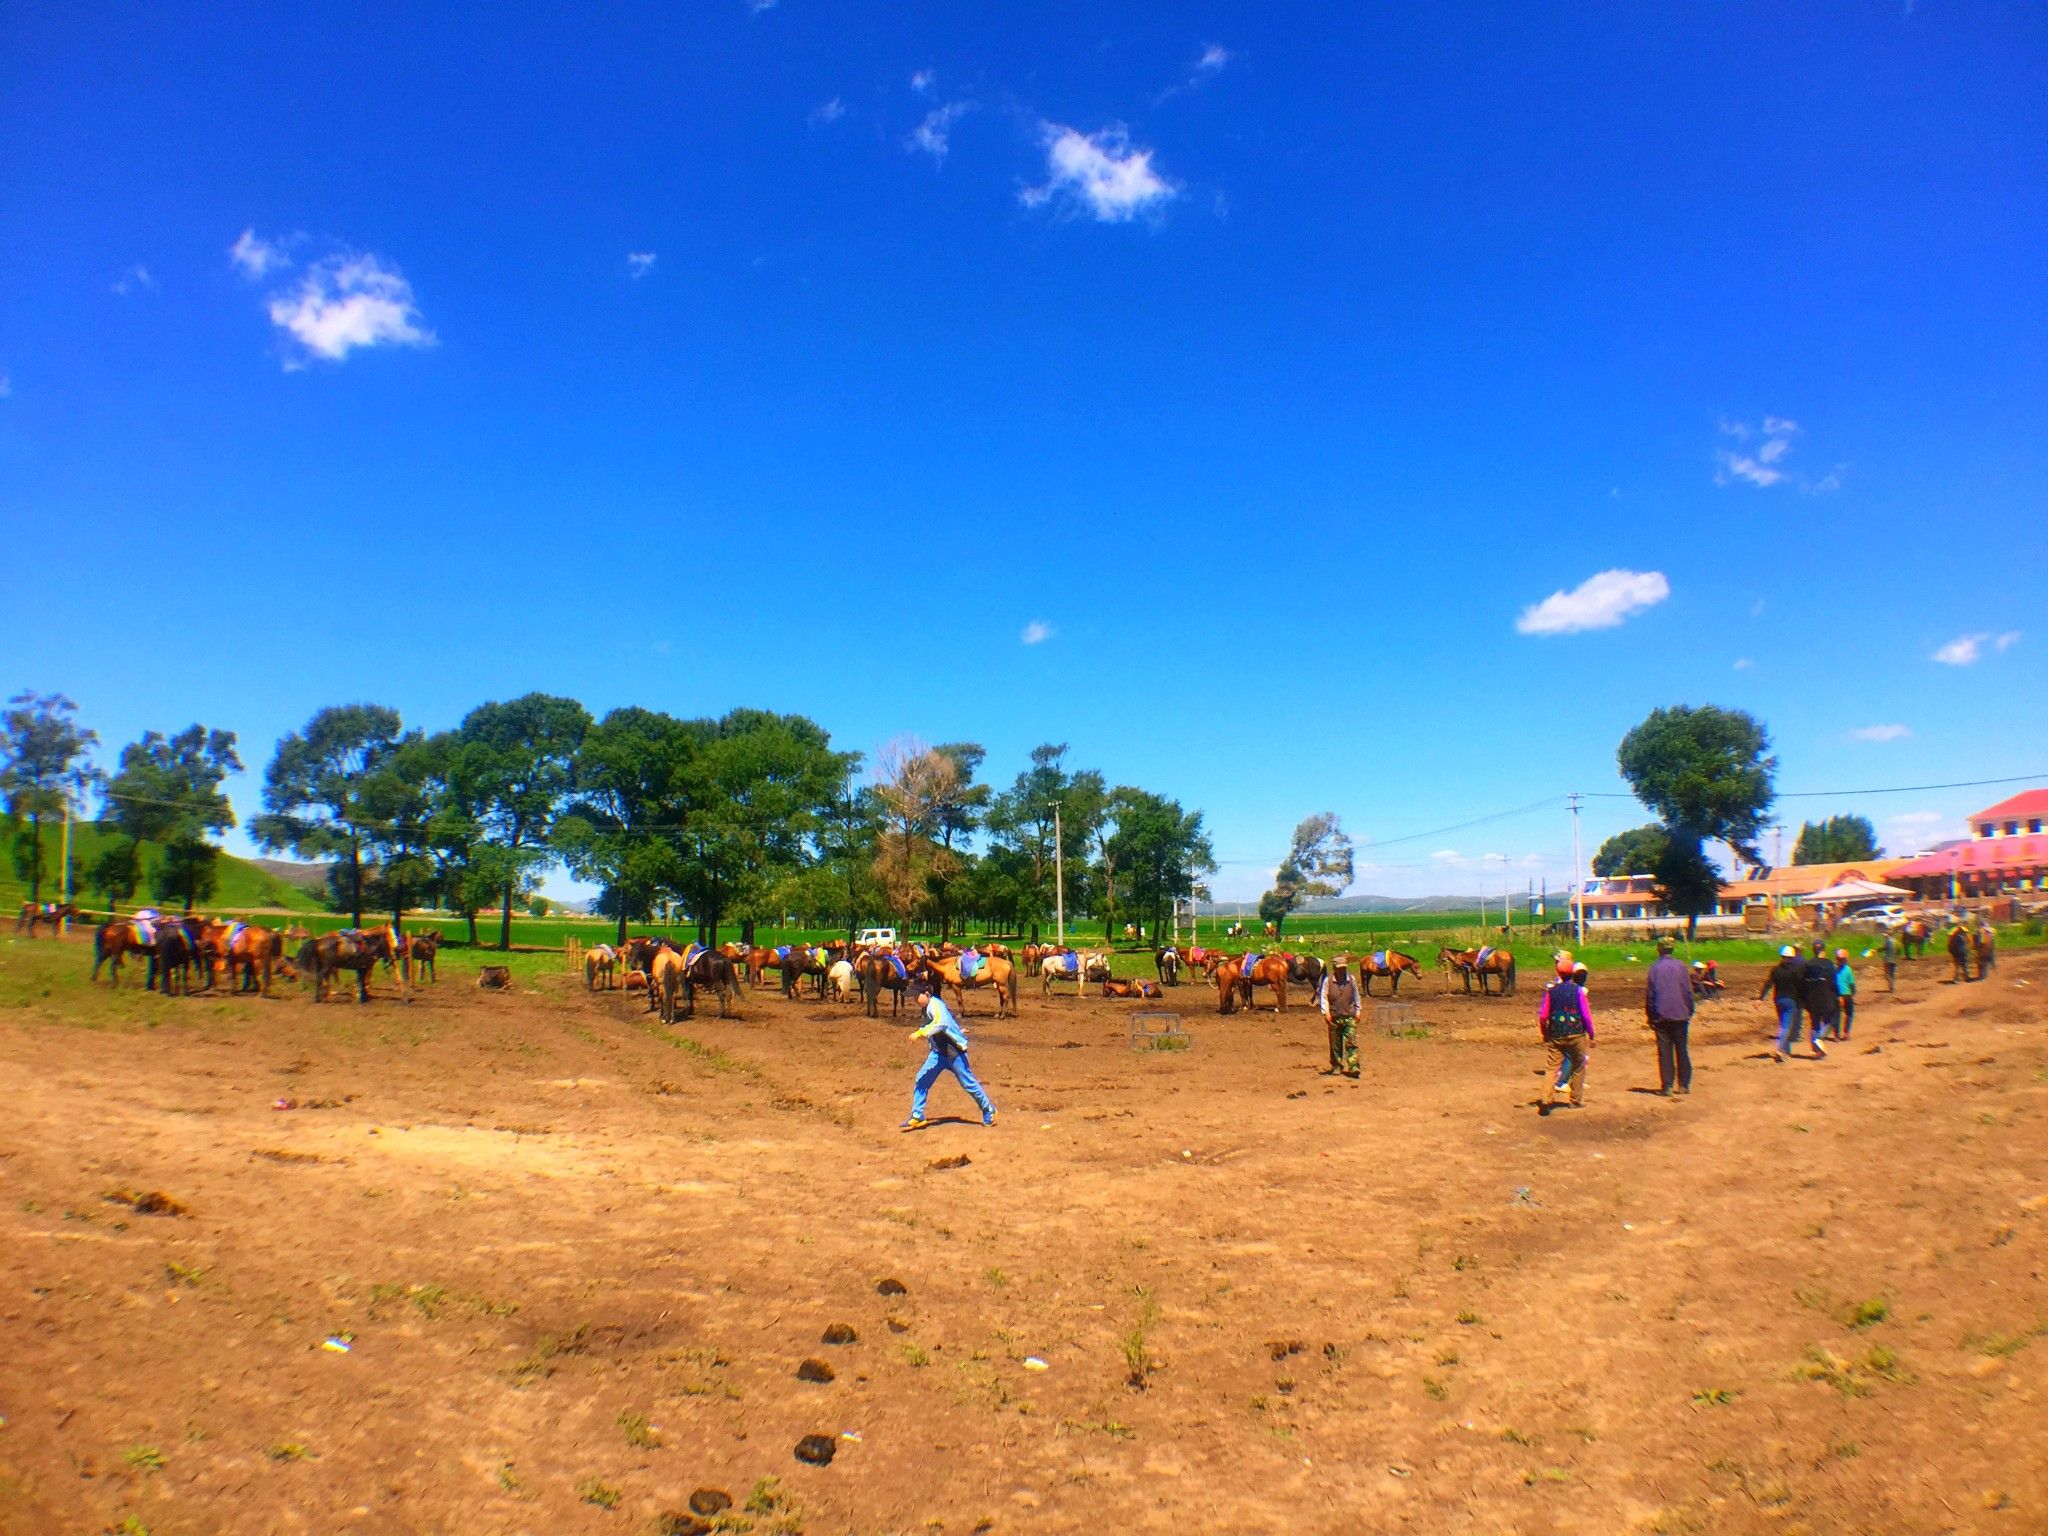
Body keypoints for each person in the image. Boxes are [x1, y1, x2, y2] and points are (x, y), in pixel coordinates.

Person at [900, 987, 995, 1131]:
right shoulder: (927, 1008)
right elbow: (948, 1022)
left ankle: (988, 1109)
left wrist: (921, 1032)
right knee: (921, 1080)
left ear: (927, 994)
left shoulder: (935, 1004)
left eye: (916, 996)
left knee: (969, 1084)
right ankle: (917, 1115)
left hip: (954, 1053)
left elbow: (941, 1022)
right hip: (938, 1054)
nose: (914, 1000)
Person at [1537, 957, 1594, 1114]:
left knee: (1552, 1068)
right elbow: (1586, 1015)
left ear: (1559, 972)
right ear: (1572, 973)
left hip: (1556, 1034)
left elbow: (1543, 1016)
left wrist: (1545, 1032)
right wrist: (1591, 1033)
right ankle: (1575, 1100)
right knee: (1579, 1065)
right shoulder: (1578, 991)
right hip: (1577, 1033)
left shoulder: (1551, 991)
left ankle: (1546, 1100)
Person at [1644, 936, 1694, 1096]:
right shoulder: (1681, 966)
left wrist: (1650, 1016)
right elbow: (1688, 992)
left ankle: (1667, 1086)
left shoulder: (1655, 969)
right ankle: (1684, 1084)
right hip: (1680, 1014)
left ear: (1659, 949)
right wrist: (1689, 1011)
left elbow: (1650, 995)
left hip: (1661, 1015)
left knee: (1665, 1051)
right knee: (1682, 1049)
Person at [1760, 944, 1806, 1062]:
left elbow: (1768, 984)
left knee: (1783, 1025)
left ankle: (1787, 1050)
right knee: (1786, 1026)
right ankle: (1780, 1050)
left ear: (1782, 956)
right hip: (1791, 1001)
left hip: (1778, 1000)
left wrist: (1760, 998)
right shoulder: (1796, 970)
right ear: (1792, 957)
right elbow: (1800, 986)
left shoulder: (1775, 970)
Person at [1319, 955, 1361, 1078]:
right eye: (1339, 968)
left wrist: (1358, 1011)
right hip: (1334, 1016)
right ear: (1334, 968)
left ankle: (1354, 1066)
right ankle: (1336, 1066)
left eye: (1344, 968)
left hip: (1349, 1015)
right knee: (1335, 1043)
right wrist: (1326, 1013)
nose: (1342, 971)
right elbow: (1324, 997)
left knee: (1351, 1042)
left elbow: (1356, 996)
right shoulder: (1328, 981)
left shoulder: (1351, 980)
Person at [1799, 940, 1836, 1059]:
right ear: (1823, 950)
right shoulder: (1829, 964)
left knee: (1814, 1023)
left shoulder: (1808, 964)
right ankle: (1819, 1040)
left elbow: (1803, 982)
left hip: (1812, 998)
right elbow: (1834, 982)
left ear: (1813, 950)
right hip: (1827, 996)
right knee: (1830, 1022)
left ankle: (1816, 1050)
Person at [1833, 948, 1857, 1040]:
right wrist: (1853, 992)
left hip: (1837, 995)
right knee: (1849, 1014)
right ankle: (1846, 1033)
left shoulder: (1834, 969)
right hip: (1847, 994)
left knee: (1837, 1015)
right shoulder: (1848, 969)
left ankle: (1836, 1035)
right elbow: (1851, 983)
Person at [1881, 928, 1899, 993]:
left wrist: (1876, 950)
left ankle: (1891, 987)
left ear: (1888, 935)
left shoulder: (1887, 941)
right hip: (1894, 960)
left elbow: (1884, 948)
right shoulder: (1896, 941)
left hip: (1887, 960)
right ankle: (1892, 987)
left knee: (1887, 974)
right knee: (1893, 973)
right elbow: (1899, 949)